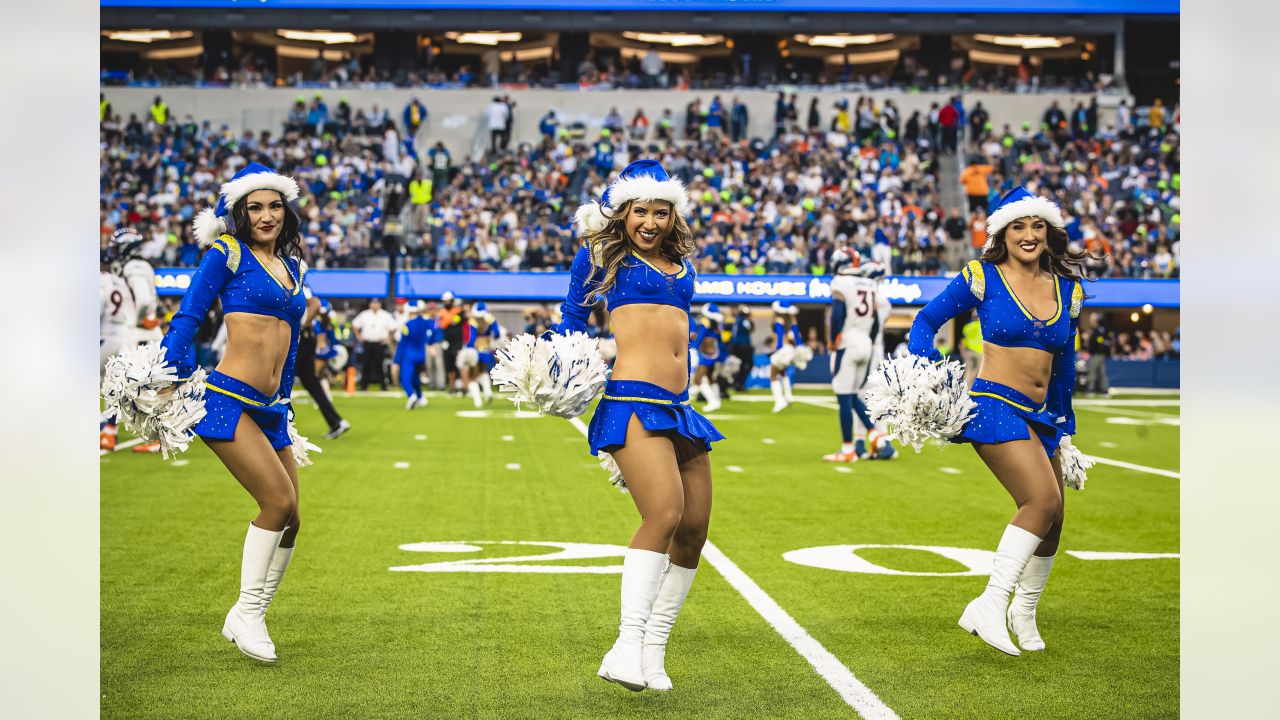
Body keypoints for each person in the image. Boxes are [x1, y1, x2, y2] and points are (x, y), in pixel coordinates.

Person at [551, 159, 722, 692]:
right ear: (622, 212)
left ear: (675, 215)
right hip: (630, 401)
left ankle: (652, 650)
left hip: (680, 406)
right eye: (640, 211)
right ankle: (625, 644)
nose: (650, 221)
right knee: (664, 513)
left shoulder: (683, 264)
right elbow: (572, 319)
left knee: (694, 530)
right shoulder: (600, 255)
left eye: (661, 212)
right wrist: (568, 369)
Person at [907, 186, 1088, 657]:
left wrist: (1066, 426)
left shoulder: (1068, 289)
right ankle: (990, 602)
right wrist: (933, 375)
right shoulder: (981, 276)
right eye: (1018, 226)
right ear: (1002, 234)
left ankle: (1022, 611)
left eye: (1037, 225)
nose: (1028, 235)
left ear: (1049, 233)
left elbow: (1065, 363)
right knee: (1041, 499)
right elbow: (925, 322)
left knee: (1055, 520)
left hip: (1043, 415)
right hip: (993, 404)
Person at [159, 162, 312, 663]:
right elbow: (189, 313)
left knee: (293, 519)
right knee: (276, 503)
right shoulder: (227, 253)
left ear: (284, 210)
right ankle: (247, 613)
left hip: (271, 408)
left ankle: (252, 614)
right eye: (255, 207)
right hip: (227, 398)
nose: (266, 215)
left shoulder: (293, 268)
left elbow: (288, 347)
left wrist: (285, 405)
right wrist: (170, 373)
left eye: (274, 206)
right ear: (240, 213)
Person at [824, 252, 895, 462]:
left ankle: (850, 448)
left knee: (846, 395)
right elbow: (873, 325)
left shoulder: (842, 283)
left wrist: (833, 338)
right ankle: (874, 437)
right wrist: (869, 341)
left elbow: (838, 315)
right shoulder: (871, 287)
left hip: (848, 342)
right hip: (868, 343)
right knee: (857, 396)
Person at [99, 228, 163, 452]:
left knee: (139, 386)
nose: (114, 251)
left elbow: (144, 298)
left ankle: (155, 437)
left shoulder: (133, 266)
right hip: (144, 333)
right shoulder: (140, 265)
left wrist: (137, 320)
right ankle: (109, 432)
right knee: (122, 383)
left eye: (118, 246)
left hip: (140, 333)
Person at [295, 291, 351, 439]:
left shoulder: (297, 280)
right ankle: (336, 421)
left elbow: (314, 304)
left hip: (302, 340)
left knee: (281, 381)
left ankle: (278, 428)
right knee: (312, 383)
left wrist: (302, 327)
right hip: (309, 340)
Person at [395, 301, 435, 410]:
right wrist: (430, 343)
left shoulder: (407, 325)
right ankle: (420, 397)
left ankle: (411, 396)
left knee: (405, 378)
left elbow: (402, 345)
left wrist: (396, 361)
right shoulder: (425, 322)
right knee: (415, 378)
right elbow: (433, 330)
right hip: (421, 354)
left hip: (409, 355)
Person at [352, 298, 396, 391]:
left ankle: (383, 385)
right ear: (370, 304)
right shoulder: (365, 314)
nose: (375, 305)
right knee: (366, 364)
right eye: (373, 303)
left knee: (379, 365)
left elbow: (393, 327)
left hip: (379, 343)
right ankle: (364, 385)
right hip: (367, 342)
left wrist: (388, 338)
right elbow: (354, 324)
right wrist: (358, 336)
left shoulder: (385, 315)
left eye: (377, 303)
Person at [690, 304, 725, 413]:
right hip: (716, 352)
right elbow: (720, 340)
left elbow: (701, 336)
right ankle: (717, 401)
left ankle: (712, 401)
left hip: (706, 354)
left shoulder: (706, 322)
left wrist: (694, 348)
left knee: (698, 379)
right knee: (711, 378)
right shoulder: (718, 324)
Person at [728, 304, 754, 391]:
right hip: (742, 346)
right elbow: (751, 328)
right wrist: (750, 321)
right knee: (747, 365)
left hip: (734, 346)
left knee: (736, 365)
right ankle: (738, 383)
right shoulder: (744, 321)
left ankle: (735, 383)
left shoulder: (736, 320)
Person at [1084, 311, 1111, 395]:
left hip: (1098, 353)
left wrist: (1089, 338)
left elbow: (1100, 341)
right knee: (1102, 371)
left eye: (1092, 319)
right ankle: (1104, 389)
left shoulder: (1099, 330)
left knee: (1092, 370)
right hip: (1098, 353)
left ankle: (1091, 389)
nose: (1090, 320)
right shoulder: (1096, 330)